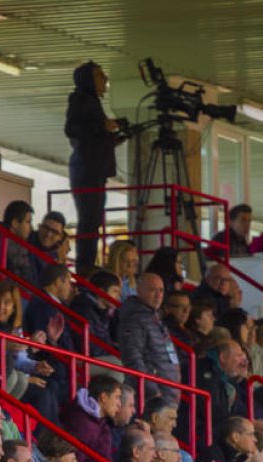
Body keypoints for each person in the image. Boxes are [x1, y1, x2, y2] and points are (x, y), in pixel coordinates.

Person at [65, 61, 120, 272]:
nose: (105, 79)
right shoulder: (81, 99)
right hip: (87, 172)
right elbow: (73, 129)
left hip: (93, 171)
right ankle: (85, 266)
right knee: (89, 221)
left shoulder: (90, 102)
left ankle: (87, 264)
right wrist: (102, 127)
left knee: (93, 220)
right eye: (99, 75)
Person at [117, 272, 182, 402]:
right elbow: (133, 358)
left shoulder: (154, 317)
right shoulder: (134, 320)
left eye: (161, 290)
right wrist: (152, 391)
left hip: (169, 392)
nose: (158, 295)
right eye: (152, 290)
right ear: (138, 290)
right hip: (155, 397)